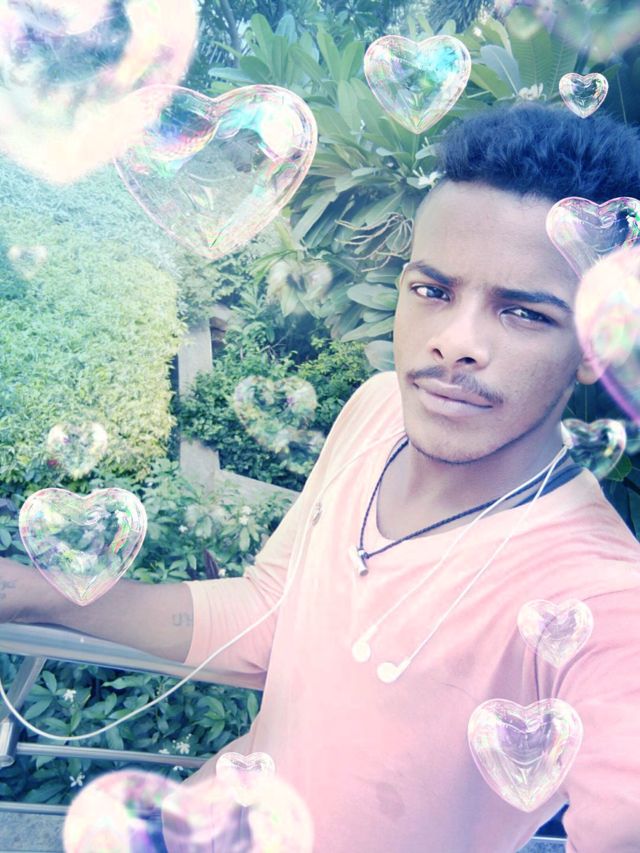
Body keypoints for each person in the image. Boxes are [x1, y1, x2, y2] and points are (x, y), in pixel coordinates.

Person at [2, 102, 640, 852]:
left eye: (525, 313)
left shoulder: (601, 599)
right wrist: (36, 594)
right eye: (433, 291)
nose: (454, 342)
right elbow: (265, 616)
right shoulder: (377, 412)